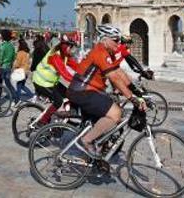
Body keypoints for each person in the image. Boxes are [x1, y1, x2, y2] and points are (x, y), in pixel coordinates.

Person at [67, 25, 146, 158]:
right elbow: (114, 78)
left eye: (119, 40)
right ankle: (85, 141)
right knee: (116, 113)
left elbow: (119, 72)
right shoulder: (100, 52)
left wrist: (136, 91)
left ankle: (96, 155)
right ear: (105, 40)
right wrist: (132, 98)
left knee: (111, 109)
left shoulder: (108, 53)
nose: (119, 43)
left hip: (91, 90)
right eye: (115, 40)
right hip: (82, 91)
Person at [32, 34, 80, 124]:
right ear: (64, 46)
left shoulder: (64, 55)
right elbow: (64, 73)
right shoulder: (55, 56)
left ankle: (64, 118)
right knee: (58, 101)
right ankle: (42, 121)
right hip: (41, 82)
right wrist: (80, 81)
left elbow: (77, 66)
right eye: (71, 47)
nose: (72, 50)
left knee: (70, 94)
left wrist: (89, 72)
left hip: (51, 82)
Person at [0, 29, 17, 104]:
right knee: (8, 84)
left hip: (2, 67)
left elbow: (0, 58)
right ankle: (16, 98)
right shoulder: (11, 46)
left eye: (1, 34)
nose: (0, 36)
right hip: (8, 67)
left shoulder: (3, 46)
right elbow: (14, 57)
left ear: (3, 36)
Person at [12, 38, 34, 104]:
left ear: (20, 45)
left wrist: (13, 68)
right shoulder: (27, 53)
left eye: (18, 44)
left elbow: (18, 63)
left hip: (21, 71)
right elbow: (29, 62)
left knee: (19, 86)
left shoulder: (20, 53)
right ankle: (32, 96)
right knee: (22, 86)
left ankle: (18, 100)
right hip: (26, 71)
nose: (17, 45)